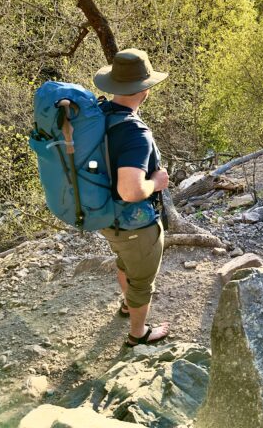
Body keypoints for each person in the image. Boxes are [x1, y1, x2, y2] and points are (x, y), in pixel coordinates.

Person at [93, 48, 170, 346]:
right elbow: (131, 189)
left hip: (105, 214)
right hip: (134, 223)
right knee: (141, 281)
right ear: (145, 89)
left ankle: (127, 306)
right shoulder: (135, 133)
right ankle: (138, 335)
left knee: (125, 261)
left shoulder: (100, 116)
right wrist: (156, 181)